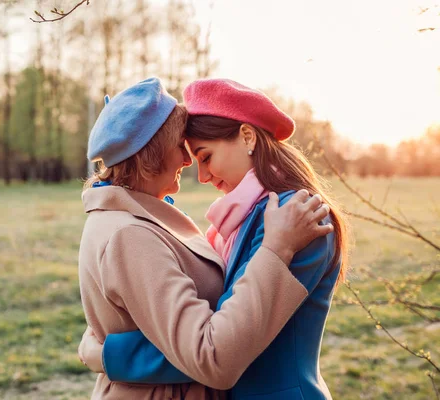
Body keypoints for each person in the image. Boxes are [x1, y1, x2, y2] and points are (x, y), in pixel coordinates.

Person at [78, 77, 336, 399]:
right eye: (187, 153)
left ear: (246, 137)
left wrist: (111, 354)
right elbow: (210, 341)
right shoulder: (238, 222)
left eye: (205, 156)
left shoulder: (293, 216)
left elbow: (226, 346)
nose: (197, 173)